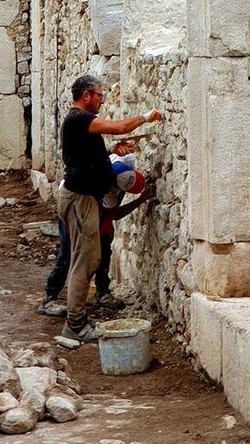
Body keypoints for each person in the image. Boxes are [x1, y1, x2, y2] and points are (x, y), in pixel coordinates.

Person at [57, 73, 164, 342]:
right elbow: (119, 127)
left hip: (84, 197)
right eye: (99, 95)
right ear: (86, 96)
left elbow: (86, 158)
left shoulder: (78, 123)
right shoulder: (80, 118)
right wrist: (146, 116)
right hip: (80, 199)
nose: (102, 101)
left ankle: (77, 317)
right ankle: (75, 324)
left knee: (89, 258)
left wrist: (112, 152)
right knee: (84, 261)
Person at [39, 164, 156, 317]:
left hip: (92, 208)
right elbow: (115, 213)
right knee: (68, 253)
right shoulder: (105, 189)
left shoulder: (119, 165)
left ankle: (102, 292)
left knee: (104, 246)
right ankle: (49, 298)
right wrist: (140, 200)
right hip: (74, 207)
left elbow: (109, 213)